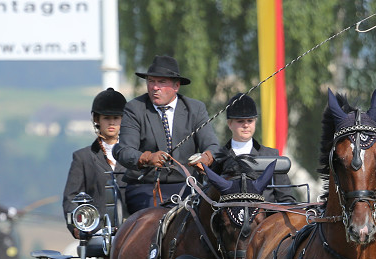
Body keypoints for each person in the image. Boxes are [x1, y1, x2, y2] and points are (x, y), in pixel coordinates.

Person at [113, 54, 220, 214]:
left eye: (161, 82)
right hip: (146, 187)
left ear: (176, 86)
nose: (155, 87)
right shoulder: (134, 108)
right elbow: (124, 151)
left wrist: (206, 158)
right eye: (151, 81)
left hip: (188, 186)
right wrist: (147, 158)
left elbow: (213, 146)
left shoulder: (195, 109)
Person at [62, 87, 127, 236]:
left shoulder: (137, 156)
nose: (111, 123)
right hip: (97, 233)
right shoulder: (82, 157)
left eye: (116, 118)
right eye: (106, 118)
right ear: (97, 119)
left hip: (131, 232)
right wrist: (76, 227)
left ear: (123, 120)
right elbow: (70, 197)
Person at [219, 93, 296, 204]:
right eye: (240, 121)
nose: (246, 125)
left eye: (250, 121)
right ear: (230, 123)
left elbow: (286, 199)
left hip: (266, 219)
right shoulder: (218, 157)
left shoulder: (271, 155)